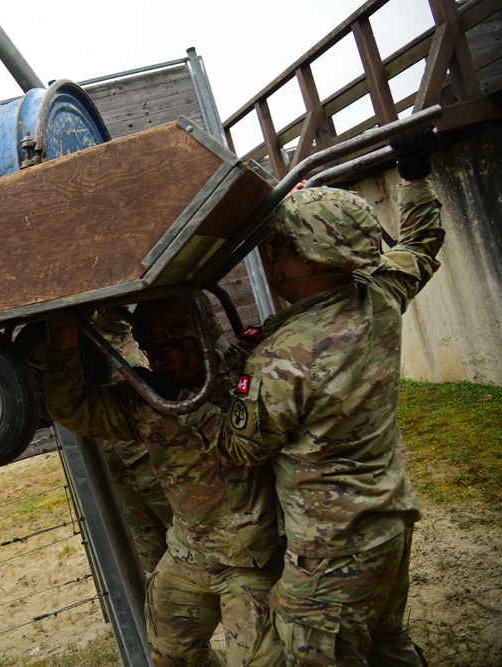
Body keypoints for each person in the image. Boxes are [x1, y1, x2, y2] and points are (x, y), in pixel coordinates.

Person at [141, 127, 442, 666]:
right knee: (389, 644)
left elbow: (239, 447)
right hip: (390, 520)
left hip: (331, 551)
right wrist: (415, 178)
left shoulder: (284, 361)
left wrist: (185, 399)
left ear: (317, 259)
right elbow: (419, 246)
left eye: (282, 246)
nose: (271, 256)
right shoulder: (377, 295)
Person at [44, 292, 284, 666]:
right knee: (170, 656)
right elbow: (71, 409)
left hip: (250, 562)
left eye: (171, 346)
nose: (158, 358)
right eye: (150, 348)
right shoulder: (148, 398)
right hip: (188, 555)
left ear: (202, 336)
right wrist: (64, 335)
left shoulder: (247, 374)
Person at [91, 308, 174, 574]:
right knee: (152, 563)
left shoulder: (103, 321)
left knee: (197, 546)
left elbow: (110, 307)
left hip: (150, 455)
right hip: (114, 471)